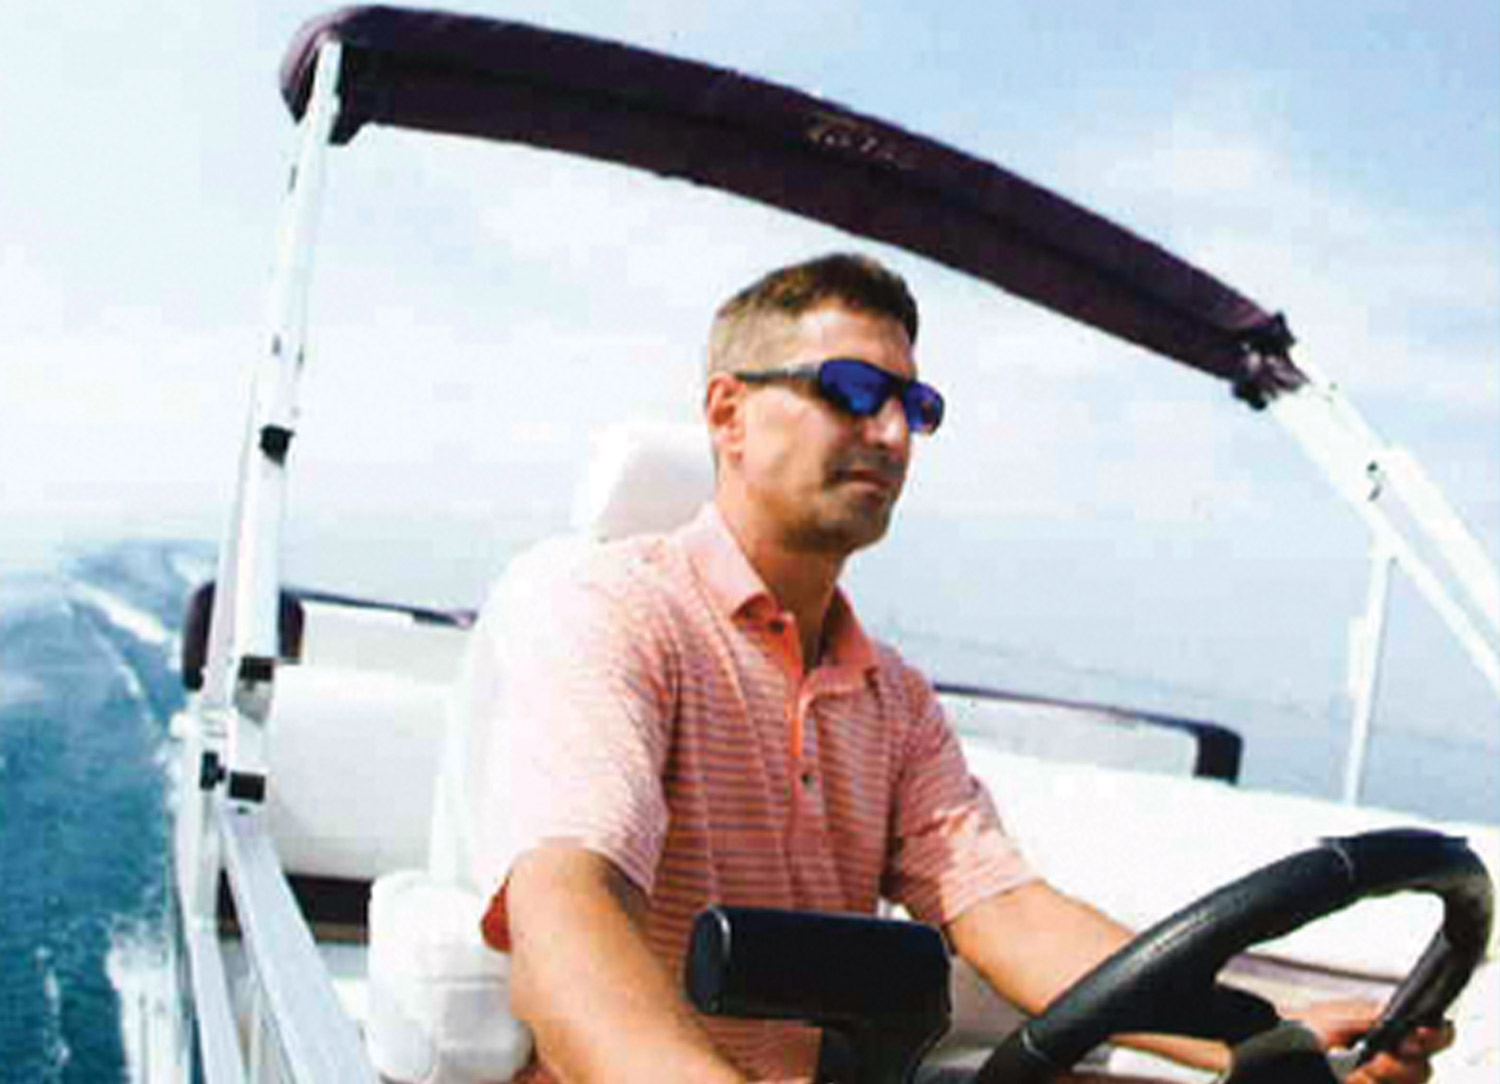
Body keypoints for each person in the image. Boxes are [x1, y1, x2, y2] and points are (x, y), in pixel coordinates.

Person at [453, 253, 1452, 1084]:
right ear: (727, 414)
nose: (891, 435)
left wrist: (1259, 1029)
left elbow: (1006, 913)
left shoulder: (893, 698)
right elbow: (565, 919)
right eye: (850, 392)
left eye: (913, 404)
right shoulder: (614, 614)